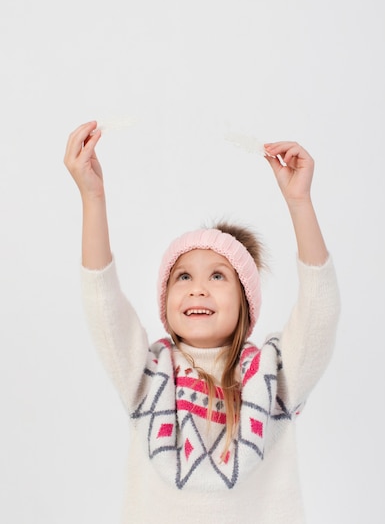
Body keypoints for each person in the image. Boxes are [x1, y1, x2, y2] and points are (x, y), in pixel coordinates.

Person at [64, 120, 340, 524]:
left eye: (217, 276)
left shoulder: (276, 374)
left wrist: (300, 203)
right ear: (166, 301)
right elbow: (101, 300)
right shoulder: (145, 372)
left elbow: (320, 311)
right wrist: (93, 197)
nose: (198, 289)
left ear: (245, 302)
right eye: (183, 276)